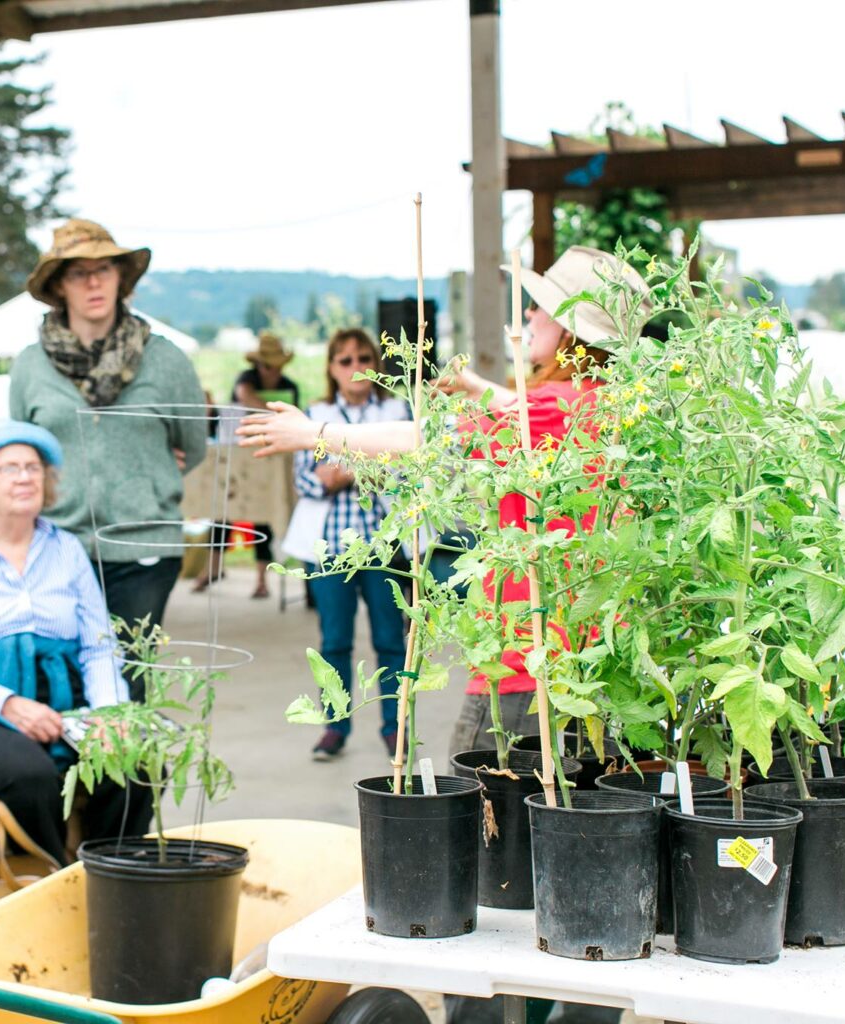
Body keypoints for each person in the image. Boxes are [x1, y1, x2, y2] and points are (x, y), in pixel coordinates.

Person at [238, 248, 648, 1024]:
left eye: (541, 309)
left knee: (486, 862)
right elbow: (525, 420)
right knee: (583, 861)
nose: (527, 316)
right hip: (594, 674)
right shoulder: (603, 406)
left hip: (528, 680)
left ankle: (486, 1014)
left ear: (573, 334)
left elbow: (438, 444)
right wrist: (479, 387)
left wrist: (312, 432)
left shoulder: (551, 414)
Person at [0, 417, 152, 865]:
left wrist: (110, 714)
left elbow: (97, 647)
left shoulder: (67, 549)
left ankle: (114, 880)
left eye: (33, 467)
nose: (25, 477)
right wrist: (8, 703)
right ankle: (48, 886)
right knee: (28, 774)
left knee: (133, 764)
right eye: (9, 468)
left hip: (64, 705)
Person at [9, 219, 207, 650]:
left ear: (122, 278)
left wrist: (144, 473)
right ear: (60, 285)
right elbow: (23, 454)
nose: (94, 282)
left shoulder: (165, 359)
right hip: (56, 545)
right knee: (63, 676)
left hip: (144, 546)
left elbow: (192, 445)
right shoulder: (29, 365)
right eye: (79, 272)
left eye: (105, 269)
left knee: (128, 680)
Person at [280, 328, 411, 762]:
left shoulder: (395, 410)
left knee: (391, 640)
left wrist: (343, 465)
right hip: (330, 548)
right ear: (331, 369)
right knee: (334, 641)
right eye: (344, 360)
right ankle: (335, 724)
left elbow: (407, 472)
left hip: (383, 545)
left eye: (362, 359)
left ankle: (396, 726)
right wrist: (367, 459)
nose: (355, 368)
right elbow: (306, 481)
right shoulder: (313, 413)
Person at [194, 332, 300, 598]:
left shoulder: (290, 386)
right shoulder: (246, 379)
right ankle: (212, 569)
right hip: (239, 457)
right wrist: (274, 410)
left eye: (275, 367)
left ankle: (261, 581)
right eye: (267, 366)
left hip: (269, 461)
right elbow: (244, 396)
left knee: (262, 519)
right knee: (222, 514)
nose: (272, 372)